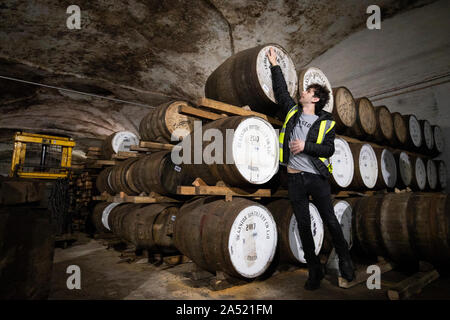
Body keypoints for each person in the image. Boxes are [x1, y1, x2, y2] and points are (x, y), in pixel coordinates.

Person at [266, 47, 354, 290]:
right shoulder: (292, 112)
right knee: (304, 226)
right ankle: (314, 269)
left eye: (307, 91)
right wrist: (274, 65)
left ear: (315, 99)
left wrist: (306, 145)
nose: (302, 92)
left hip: (317, 178)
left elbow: (328, 150)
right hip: (294, 180)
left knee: (330, 221)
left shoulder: (326, 122)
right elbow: (281, 91)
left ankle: (345, 259)